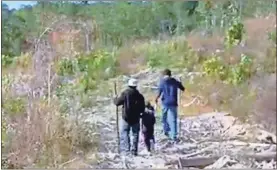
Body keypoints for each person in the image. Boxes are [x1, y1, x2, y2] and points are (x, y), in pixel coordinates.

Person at [114, 78, 145, 156]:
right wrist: (140, 114)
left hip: (126, 117)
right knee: (135, 134)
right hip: (136, 118)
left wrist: (115, 98)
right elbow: (142, 108)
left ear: (129, 85)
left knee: (124, 133)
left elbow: (117, 103)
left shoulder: (125, 93)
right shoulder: (139, 95)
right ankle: (134, 151)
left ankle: (126, 150)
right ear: (136, 86)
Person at [155, 69, 185, 142]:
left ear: (164, 74)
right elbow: (182, 88)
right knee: (173, 120)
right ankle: (174, 135)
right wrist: (180, 84)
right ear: (170, 74)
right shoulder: (174, 81)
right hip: (173, 102)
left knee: (164, 118)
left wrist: (156, 98)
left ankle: (166, 131)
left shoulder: (162, 82)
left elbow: (159, 92)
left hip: (165, 102)